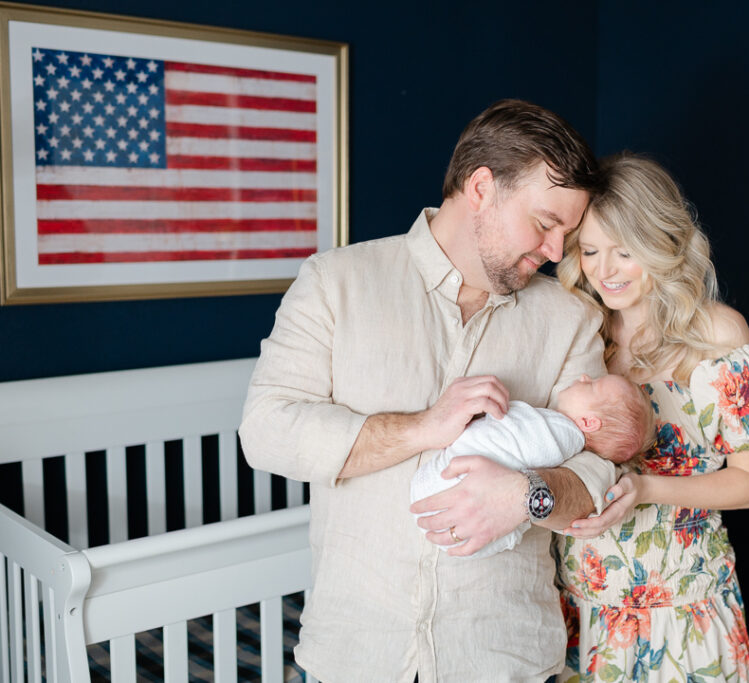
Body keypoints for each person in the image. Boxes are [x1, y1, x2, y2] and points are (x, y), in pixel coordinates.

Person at [239, 99, 622, 682]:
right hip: (356, 657)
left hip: (504, 658)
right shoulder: (336, 282)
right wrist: (422, 427)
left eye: (566, 234)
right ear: (481, 187)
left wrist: (527, 495)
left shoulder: (569, 319)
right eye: (545, 223)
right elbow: (265, 432)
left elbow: (599, 470)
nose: (554, 251)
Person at [553, 153, 749, 682]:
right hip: (582, 608)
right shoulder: (577, 329)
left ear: (661, 243)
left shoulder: (716, 334)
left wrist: (647, 489)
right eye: (591, 250)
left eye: (625, 252)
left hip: (678, 613)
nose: (604, 271)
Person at [411, 373, 656, 558]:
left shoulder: (556, 432)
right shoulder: (565, 442)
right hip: (470, 538)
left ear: (589, 422)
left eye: (591, 385)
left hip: (445, 488)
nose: (583, 376)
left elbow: (507, 428)